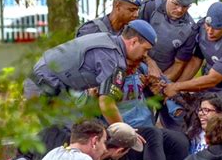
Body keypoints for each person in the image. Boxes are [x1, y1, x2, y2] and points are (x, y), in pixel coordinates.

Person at [24, 20, 157, 125]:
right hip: (45, 87)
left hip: (55, 87)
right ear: (133, 42)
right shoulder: (112, 57)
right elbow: (106, 103)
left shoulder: (109, 42)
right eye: (145, 49)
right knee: (68, 139)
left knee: (82, 132)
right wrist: (125, 133)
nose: (145, 55)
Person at [163, 2, 222, 118]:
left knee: (217, 119)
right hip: (208, 85)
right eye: (208, 25)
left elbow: (212, 79)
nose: (210, 31)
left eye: (216, 28)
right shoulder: (203, 26)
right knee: (177, 110)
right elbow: (196, 59)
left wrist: (176, 87)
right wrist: (175, 87)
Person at [139, 0, 197, 82]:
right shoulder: (150, 7)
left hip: (162, 77)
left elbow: (179, 64)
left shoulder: (190, 29)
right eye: (175, 4)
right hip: (136, 65)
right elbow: (130, 40)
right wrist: (149, 62)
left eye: (185, 6)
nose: (179, 10)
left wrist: (159, 83)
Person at [76, 0, 141, 37]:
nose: (136, 14)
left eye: (137, 10)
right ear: (117, 6)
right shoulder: (90, 30)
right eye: (131, 10)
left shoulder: (132, 33)